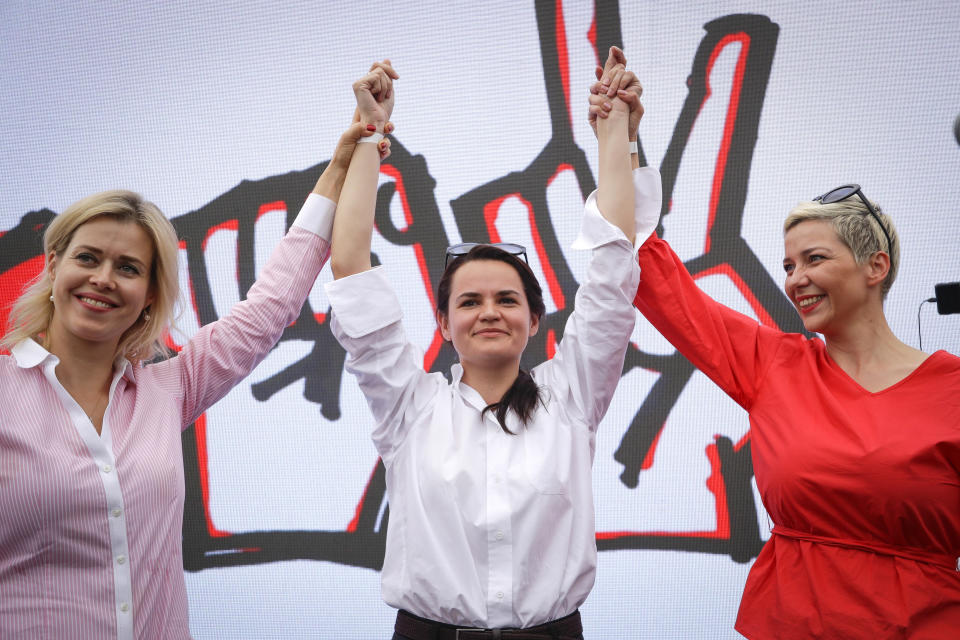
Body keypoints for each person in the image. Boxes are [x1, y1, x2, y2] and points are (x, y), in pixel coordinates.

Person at [0, 71, 394, 638]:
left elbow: (270, 306)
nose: (103, 279)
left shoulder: (166, 390)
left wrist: (343, 160)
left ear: (151, 295)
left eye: (128, 268)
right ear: (55, 266)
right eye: (88, 258)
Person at [590, 49, 960, 638]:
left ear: (876, 266)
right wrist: (621, 141)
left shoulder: (952, 390)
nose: (795, 279)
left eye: (815, 259)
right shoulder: (774, 365)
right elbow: (655, 278)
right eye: (788, 265)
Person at [324, 55, 654, 638]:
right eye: (469, 302)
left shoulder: (572, 393)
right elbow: (351, 271)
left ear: (533, 318)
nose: (489, 313)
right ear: (445, 326)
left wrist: (615, 131)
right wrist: (369, 136)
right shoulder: (411, 406)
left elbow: (612, 268)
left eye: (507, 299)